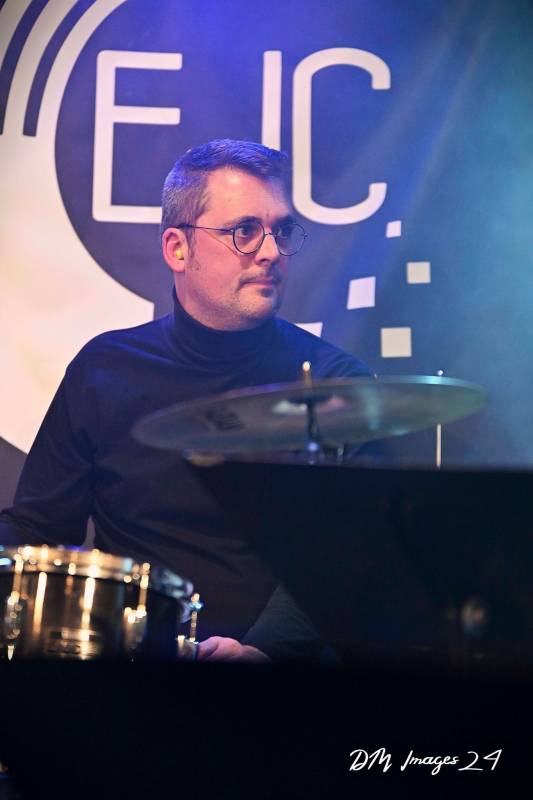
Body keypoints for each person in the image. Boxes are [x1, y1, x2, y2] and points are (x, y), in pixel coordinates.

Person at [0, 140, 371, 661]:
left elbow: (345, 555)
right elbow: (38, 530)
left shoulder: (337, 386)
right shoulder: (104, 369)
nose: (270, 252)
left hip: (283, 682)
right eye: (245, 231)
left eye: (281, 231)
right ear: (178, 248)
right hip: (130, 672)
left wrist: (264, 651)